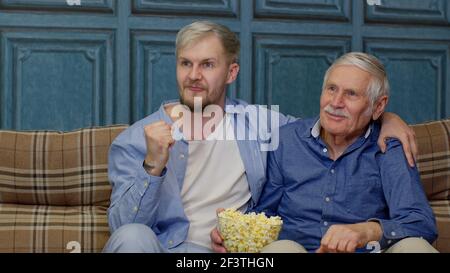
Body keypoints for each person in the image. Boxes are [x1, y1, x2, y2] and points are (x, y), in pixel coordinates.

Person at [103, 21, 417, 253]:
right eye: (186, 63)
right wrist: (152, 166)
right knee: (132, 236)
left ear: (231, 73)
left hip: (232, 255)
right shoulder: (136, 139)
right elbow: (121, 228)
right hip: (166, 248)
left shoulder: (262, 124)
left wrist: (387, 119)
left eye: (207, 65)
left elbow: (331, 123)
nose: (194, 76)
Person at [211, 52, 438, 253]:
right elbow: (266, 213)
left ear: (378, 106)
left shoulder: (388, 146)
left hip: (366, 250)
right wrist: (235, 232)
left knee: (415, 248)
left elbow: (420, 223)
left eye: (351, 94)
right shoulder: (287, 140)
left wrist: (367, 231)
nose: (336, 102)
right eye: (331, 89)